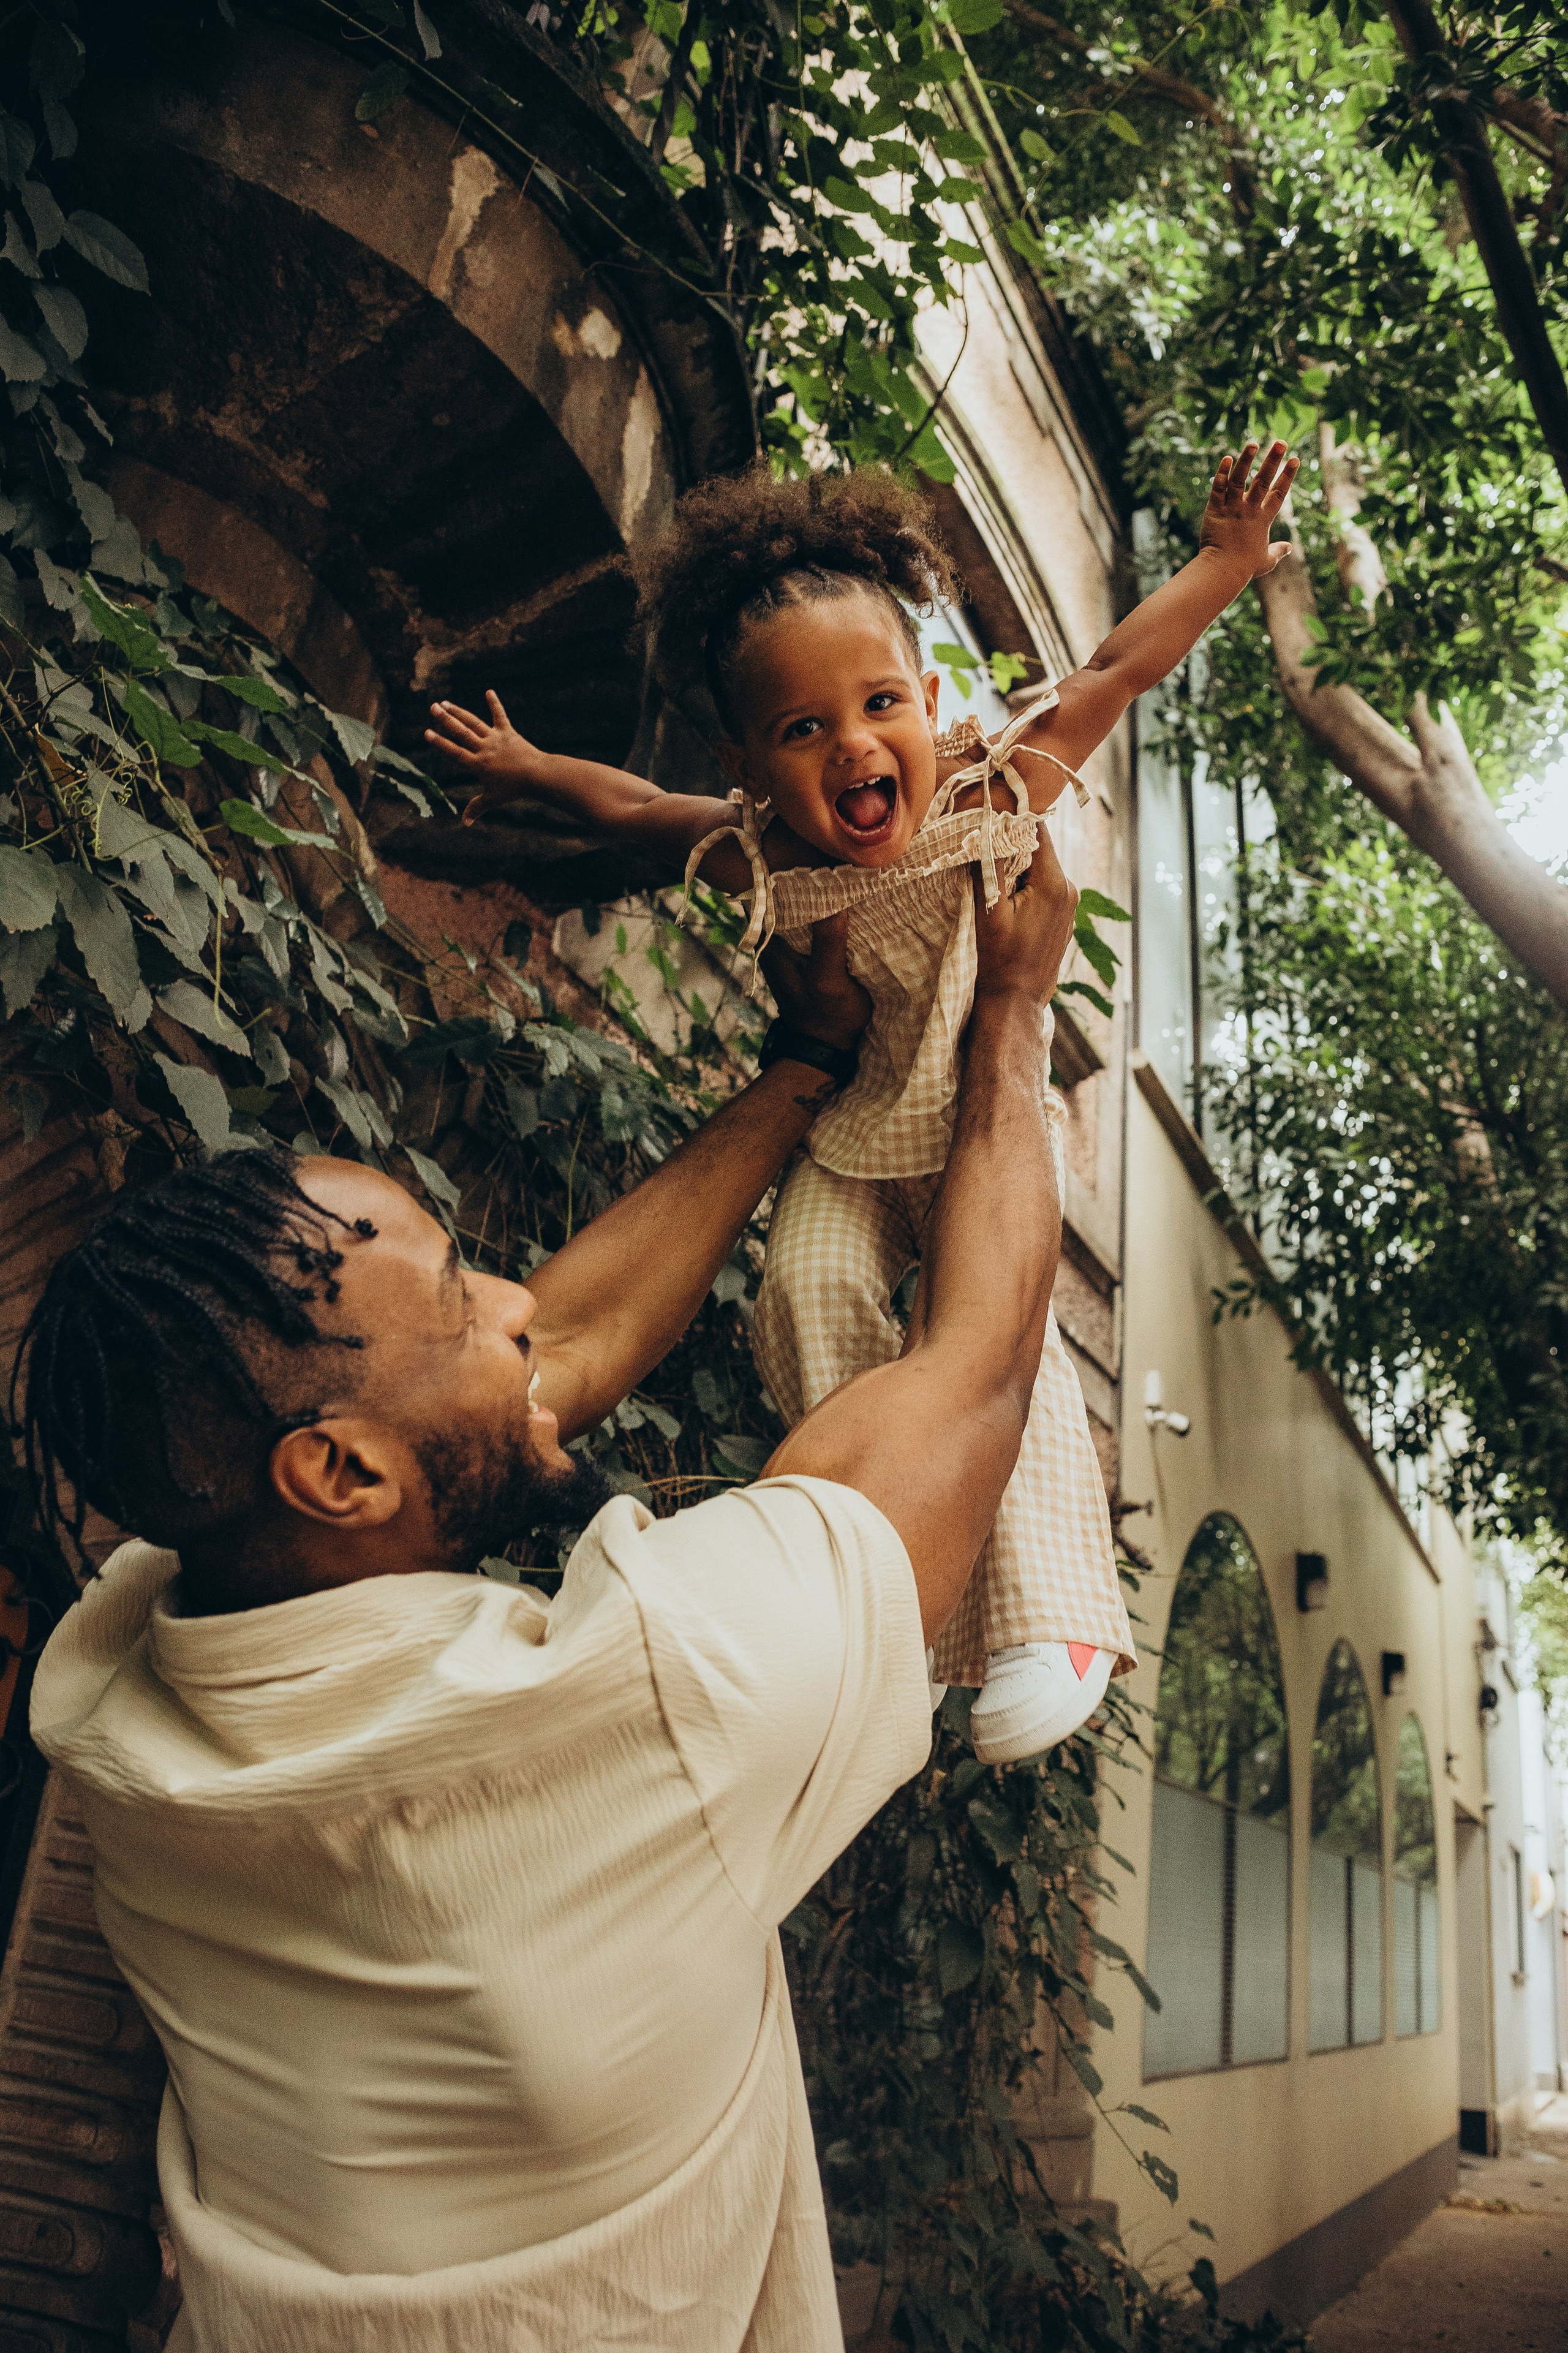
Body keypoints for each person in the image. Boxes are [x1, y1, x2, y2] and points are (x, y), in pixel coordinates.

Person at [26, 838, 1076, 2352]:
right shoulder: (655, 1696)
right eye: (463, 1297)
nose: (516, 1302)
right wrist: (1012, 1011)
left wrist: (804, 1063)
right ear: (338, 1476)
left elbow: (531, 1369)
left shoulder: (131, 1697)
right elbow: (968, 1377)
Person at [424, 439, 1300, 1761]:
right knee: (798, 1290)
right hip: (850, 1135)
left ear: (931, 695)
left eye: (878, 702)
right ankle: (882, 1559)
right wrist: (533, 769)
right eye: (802, 729)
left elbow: (1116, 669)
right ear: (750, 762)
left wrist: (1227, 564)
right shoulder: (752, 849)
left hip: (974, 1139)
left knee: (998, 1333)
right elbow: (630, 810)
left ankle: (1054, 1613)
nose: (853, 747)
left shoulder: (991, 790)